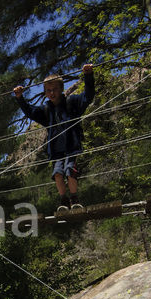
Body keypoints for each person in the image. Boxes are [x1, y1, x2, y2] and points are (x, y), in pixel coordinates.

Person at [13, 64, 95, 212]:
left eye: (55, 89)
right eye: (48, 90)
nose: (52, 93)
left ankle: (74, 198)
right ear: (44, 92)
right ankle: (63, 200)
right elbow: (30, 112)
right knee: (57, 174)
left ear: (61, 89)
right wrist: (20, 98)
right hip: (56, 151)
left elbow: (88, 96)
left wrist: (88, 76)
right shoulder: (46, 110)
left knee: (70, 171)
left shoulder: (73, 102)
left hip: (72, 148)